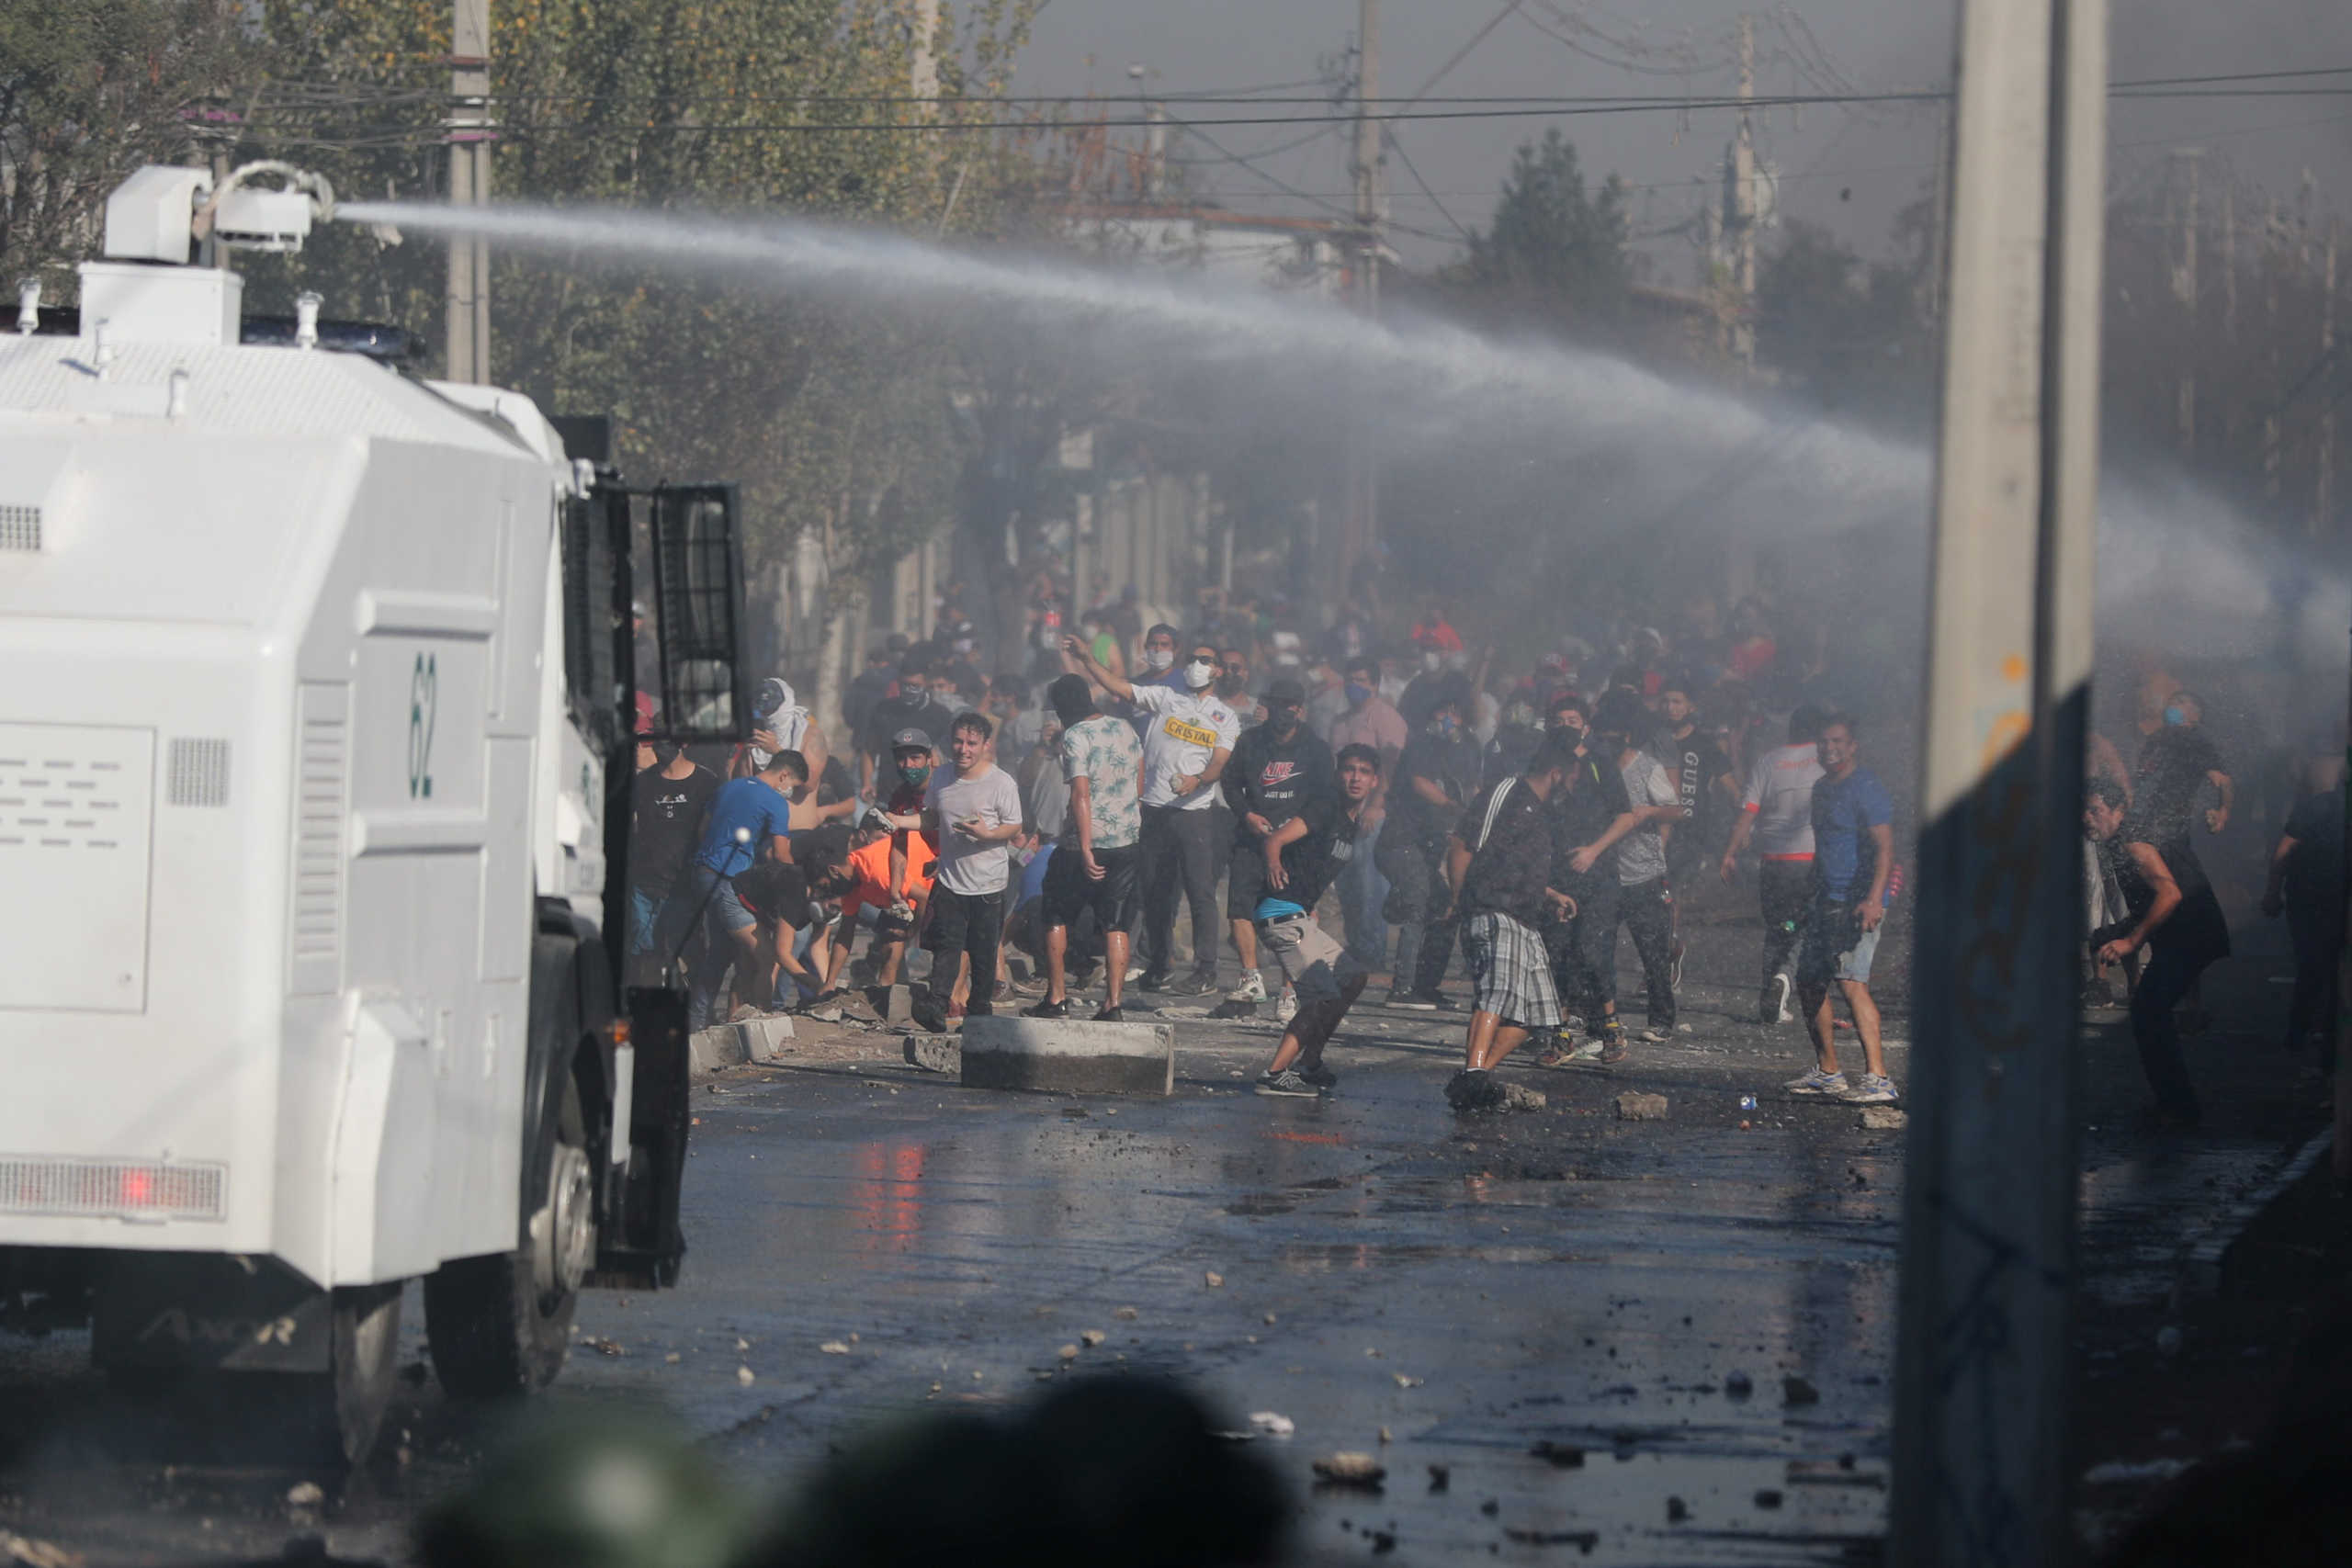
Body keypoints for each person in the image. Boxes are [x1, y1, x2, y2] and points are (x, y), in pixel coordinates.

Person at [1064, 634, 1238, 997]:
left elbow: (1219, 763)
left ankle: (1206, 969)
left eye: (1205, 660)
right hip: (1155, 810)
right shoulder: (1167, 698)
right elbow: (1119, 687)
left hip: (1194, 813)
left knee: (1200, 892)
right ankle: (1160, 965)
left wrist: (1198, 780)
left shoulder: (1225, 716)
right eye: (1193, 658)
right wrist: (1086, 659)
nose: (1196, 665)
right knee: (1156, 892)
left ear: (1218, 670)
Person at [1442, 730, 1587, 1112]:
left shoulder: (1540, 813)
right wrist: (1459, 901)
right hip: (1492, 912)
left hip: (1526, 920)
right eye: (1572, 776)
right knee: (1496, 994)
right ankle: (1474, 1073)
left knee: (1539, 1013)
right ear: (1556, 772)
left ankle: (1472, 1078)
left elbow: (1513, 867)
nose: (1574, 784)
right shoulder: (1507, 792)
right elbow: (1462, 845)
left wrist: (1551, 894)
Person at [2086, 776, 2231, 1127]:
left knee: (2149, 1011)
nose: (2087, 818)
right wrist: (2111, 933)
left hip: (2192, 935)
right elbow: (2149, 902)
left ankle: (2180, 1108)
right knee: (2150, 1012)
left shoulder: (2134, 843)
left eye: (2095, 811)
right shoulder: (2121, 839)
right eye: (2084, 811)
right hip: (2185, 934)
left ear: (2118, 811)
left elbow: (2170, 894)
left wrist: (2131, 942)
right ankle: (2175, 1103)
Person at [1252, 744, 1382, 1098]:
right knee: (1320, 995)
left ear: (1374, 781)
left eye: (1364, 771)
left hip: (1299, 915)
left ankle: (1310, 1062)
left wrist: (1311, 903)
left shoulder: (1351, 823)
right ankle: (1275, 1074)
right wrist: (1274, 863)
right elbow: (1276, 840)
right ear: (1338, 774)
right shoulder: (1325, 808)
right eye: (1349, 769)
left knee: (1352, 976)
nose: (1355, 777)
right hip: (1279, 913)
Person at [1783, 715, 1898, 1106]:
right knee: (1811, 981)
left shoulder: (1865, 786)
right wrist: (1807, 895)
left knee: (1851, 983)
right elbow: (1824, 846)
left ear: (1852, 746)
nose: (1829, 749)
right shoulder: (1821, 788)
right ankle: (1829, 1071)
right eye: (1824, 742)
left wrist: (1872, 898)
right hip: (1826, 900)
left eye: (1837, 742)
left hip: (1857, 902)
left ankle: (1878, 1077)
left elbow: (1884, 847)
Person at [1027, 674, 1147, 1021]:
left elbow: (1080, 794)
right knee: (1117, 922)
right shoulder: (1125, 728)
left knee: (1055, 911)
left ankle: (1056, 997)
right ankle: (1113, 1003)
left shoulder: (1075, 736)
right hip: (1127, 839)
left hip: (1083, 843)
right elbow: (1139, 781)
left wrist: (1085, 846)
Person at [1530, 695, 1641, 1065]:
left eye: (1572, 719)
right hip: (1557, 877)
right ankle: (1561, 1035)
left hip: (1600, 874)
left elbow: (1626, 816)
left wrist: (1593, 850)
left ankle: (1610, 1027)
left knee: (1594, 952)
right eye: (1559, 719)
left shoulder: (1600, 764)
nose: (1566, 725)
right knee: (1557, 954)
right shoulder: (1541, 765)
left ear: (1585, 726)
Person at [1222, 678, 1336, 1012]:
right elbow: (1229, 784)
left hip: (1296, 845)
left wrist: (1298, 830)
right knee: (1239, 908)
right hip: (1253, 837)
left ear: (1299, 710)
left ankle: (1289, 990)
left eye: (1289, 705)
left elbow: (1324, 799)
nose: (1281, 712)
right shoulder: (1251, 741)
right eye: (1276, 705)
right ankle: (1251, 976)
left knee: (1291, 917)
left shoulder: (1315, 748)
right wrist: (1247, 815)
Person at [909, 712, 1024, 1035]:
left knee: (984, 951)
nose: (963, 749)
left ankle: (979, 1013)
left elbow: (1015, 826)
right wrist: (897, 822)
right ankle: (936, 1005)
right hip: (950, 878)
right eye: (958, 741)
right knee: (947, 946)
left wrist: (987, 835)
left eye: (972, 743)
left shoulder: (1001, 782)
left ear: (986, 745)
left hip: (987, 882)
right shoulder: (941, 777)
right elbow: (929, 819)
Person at [679, 750, 808, 1031]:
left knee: (722, 952)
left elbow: (703, 829)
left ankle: (698, 1020)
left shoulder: (729, 787)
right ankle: (761, 1021)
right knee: (765, 955)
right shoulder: (775, 802)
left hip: (702, 873)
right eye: (792, 786)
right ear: (784, 775)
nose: (789, 791)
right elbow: (782, 855)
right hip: (729, 880)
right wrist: (801, 882)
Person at [1376, 681, 1482, 1009]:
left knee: (1446, 909)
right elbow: (1419, 783)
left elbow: (1475, 785)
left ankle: (1426, 985)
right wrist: (1453, 807)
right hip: (1402, 841)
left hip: (1433, 845)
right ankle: (1402, 988)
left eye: (1453, 710)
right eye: (1441, 710)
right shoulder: (1421, 744)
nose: (1447, 717)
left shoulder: (1470, 746)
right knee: (1419, 903)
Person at [1722, 705, 1829, 1024]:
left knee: (1777, 927)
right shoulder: (1826, 758)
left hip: (1772, 861)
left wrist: (1729, 852)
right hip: (1809, 859)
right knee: (1804, 926)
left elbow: (1748, 812)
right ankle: (1784, 978)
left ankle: (1769, 999)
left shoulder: (1768, 761)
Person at [1596, 695, 1683, 1044]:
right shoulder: (1596, 767)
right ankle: (1598, 1016)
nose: (1606, 741)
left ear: (1627, 736)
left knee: (1652, 952)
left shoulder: (1647, 767)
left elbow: (1676, 810)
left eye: (1612, 735)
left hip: (1644, 873)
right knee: (1595, 949)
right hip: (1603, 874)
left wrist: (1649, 813)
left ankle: (1661, 1020)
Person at [1655, 677, 1737, 988]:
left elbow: (1732, 789)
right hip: (1652, 829)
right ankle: (1664, 953)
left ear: (1690, 707)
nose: (1671, 707)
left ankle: (1668, 956)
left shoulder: (1704, 745)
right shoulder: (1652, 740)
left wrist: (1741, 828)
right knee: (1653, 898)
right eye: (1666, 701)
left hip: (1690, 833)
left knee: (1669, 893)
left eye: (1677, 701)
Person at [2262, 760, 2345, 1067]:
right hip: (2311, 900)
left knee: (2322, 969)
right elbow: (2284, 851)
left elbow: (2283, 852)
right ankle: (2303, 1035)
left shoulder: (2318, 806)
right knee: (2317, 967)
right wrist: (2272, 893)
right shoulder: (2318, 807)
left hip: (2322, 899)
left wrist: (2273, 892)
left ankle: (2314, 1036)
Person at [1329, 656, 1408, 965]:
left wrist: (1376, 805)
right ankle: (1357, 943)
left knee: (1369, 881)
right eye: (1351, 679)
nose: (1355, 686)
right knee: (1346, 880)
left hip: (1375, 813)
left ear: (1375, 684)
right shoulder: (1341, 720)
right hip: (1344, 814)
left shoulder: (1386, 718)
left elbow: (1391, 766)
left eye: (1362, 680)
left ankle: (1373, 948)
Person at [628, 728, 720, 981]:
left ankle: (698, 1012)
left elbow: (710, 832)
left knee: (691, 950)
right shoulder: (643, 781)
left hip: (685, 883)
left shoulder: (707, 782)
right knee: (644, 951)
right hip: (645, 883)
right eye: (656, 741)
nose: (660, 747)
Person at [818, 814, 937, 991]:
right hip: (906, 900)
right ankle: (888, 993)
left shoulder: (876, 872)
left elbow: (925, 898)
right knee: (890, 937)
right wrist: (830, 982)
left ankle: (957, 1002)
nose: (830, 894)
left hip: (936, 884)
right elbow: (845, 934)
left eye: (826, 886)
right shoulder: (851, 883)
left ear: (834, 871)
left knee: (946, 952)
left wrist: (911, 932)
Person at [857, 652, 951, 795]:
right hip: (888, 794)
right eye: (905, 685)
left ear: (926, 683)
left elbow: (949, 757)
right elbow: (870, 749)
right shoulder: (883, 710)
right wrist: (867, 783)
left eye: (915, 685)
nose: (909, 690)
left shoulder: (941, 715)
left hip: (928, 797)